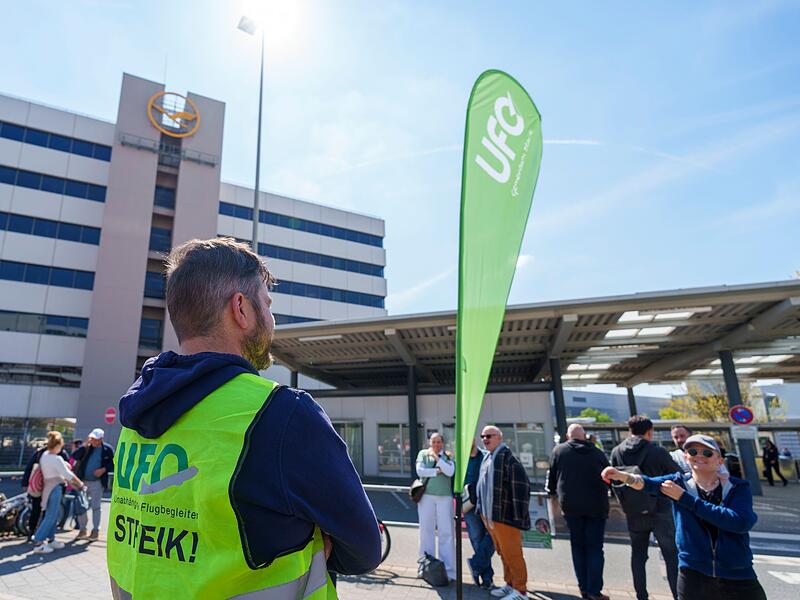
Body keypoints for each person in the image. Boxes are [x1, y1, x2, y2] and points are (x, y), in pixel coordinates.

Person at [108, 238, 380, 598]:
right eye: (266, 304)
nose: (272, 318)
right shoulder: (283, 413)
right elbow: (364, 547)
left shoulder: (136, 415)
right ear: (241, 308)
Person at [602, 434, 767, 600]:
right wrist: (622, 476)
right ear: (687, 458)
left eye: (707, 453)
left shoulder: (737, 487)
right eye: (693, 452)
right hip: (693, 574)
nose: (699, 456)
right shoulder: (678, 482)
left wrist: (684, 498)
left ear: (719, 461)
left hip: (736, 573)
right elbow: (648, 483)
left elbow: (739, 522)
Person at [611, 416, 681, 600]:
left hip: (634, 511)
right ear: (649, 432)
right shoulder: (657, 451)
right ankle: (677, 595)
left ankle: (641, 595)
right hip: (661, 510)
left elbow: (613, 480)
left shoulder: (617, 452)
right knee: (671, 556)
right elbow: (677, 476)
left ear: (630, 430)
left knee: (638, 556)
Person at [546, 424, 610, 600]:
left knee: (578, 547)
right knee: (595, 549)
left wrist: (552, 495)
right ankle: (594, 591)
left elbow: (551, 478)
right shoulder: (597, 453)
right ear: (584, 436)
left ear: (568, 437)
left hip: (571, 506)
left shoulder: (559, 451)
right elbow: (609, 477)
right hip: (597, 506)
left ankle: (583, 587)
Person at [477, 426, 530, 600]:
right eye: (483, 436)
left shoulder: (508, 458)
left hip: (505, 517)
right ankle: (510, 584)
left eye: (489, 436)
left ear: (499, 438)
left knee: (513, 554)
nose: (485, 439)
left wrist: (518, 515)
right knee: (503, 553)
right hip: (490, 515)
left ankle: (521, 591)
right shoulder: (488, 457)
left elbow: (521, 488)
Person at [31, 431, 84, 554]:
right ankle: (39, 542)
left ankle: (51, 539)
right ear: (58, 445)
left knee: (52, 515)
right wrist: (80, 484)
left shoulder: (45, 455)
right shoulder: (56, 458)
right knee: (51, 516)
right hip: (55, 488)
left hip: (47, 488)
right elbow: (68, 475)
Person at [415, 432, 456, 581]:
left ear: (443, 443)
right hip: (426, 497)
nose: (436, 445)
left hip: (444, 497)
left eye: (439, 442)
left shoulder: (449, 455)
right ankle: (425, 567)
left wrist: (437, 459)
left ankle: (449, 571)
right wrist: (437, 471)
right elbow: (420, 471)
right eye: (433, 442)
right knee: (426, 531)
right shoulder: (423, 454)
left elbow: (450, 472)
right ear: (429, 443)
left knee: (447, 533)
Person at [71, 427, 114, 540]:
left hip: (97, 482)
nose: (93, 441)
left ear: (101, 439)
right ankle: (82, 530)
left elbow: (113, 464)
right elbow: (74, 456)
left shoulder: (107, 450)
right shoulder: (86, 448)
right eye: (92, 438)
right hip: (83, 481)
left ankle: (95, 531)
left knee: (96, 507)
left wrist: (103, 470)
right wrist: (84, 446)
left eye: (95, 439)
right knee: (81, 506)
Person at [21, 441, 70, 541]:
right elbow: (67, 472)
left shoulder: (41, 453)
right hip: (50, 487)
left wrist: (26, 483)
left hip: (39, 486)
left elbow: (29, 468)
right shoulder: (59, 454)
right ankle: (40, 536)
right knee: (48, 512)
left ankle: (35, 533)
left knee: (38, 509)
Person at [463, 439, 495, 588]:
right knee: (476, 539)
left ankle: (476, 564)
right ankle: (486, 577)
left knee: (493, 537)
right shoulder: (460, 460)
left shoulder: (486, 456)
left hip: (486, 503)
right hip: (470, 506)